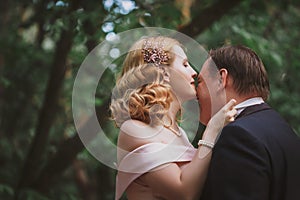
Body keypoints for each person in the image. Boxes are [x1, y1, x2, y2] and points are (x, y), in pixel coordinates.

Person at [110, 36, 237, 200]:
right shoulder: (135, 129)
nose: (194, 72)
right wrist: (212, 130)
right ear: (163, 73)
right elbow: (183, 193)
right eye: (185, 64)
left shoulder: (178, 132)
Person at [197, 45, 300, 200]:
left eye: (200, 82)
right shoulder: (285, 130)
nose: (195, 93)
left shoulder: (238, 136)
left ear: (221, 79)